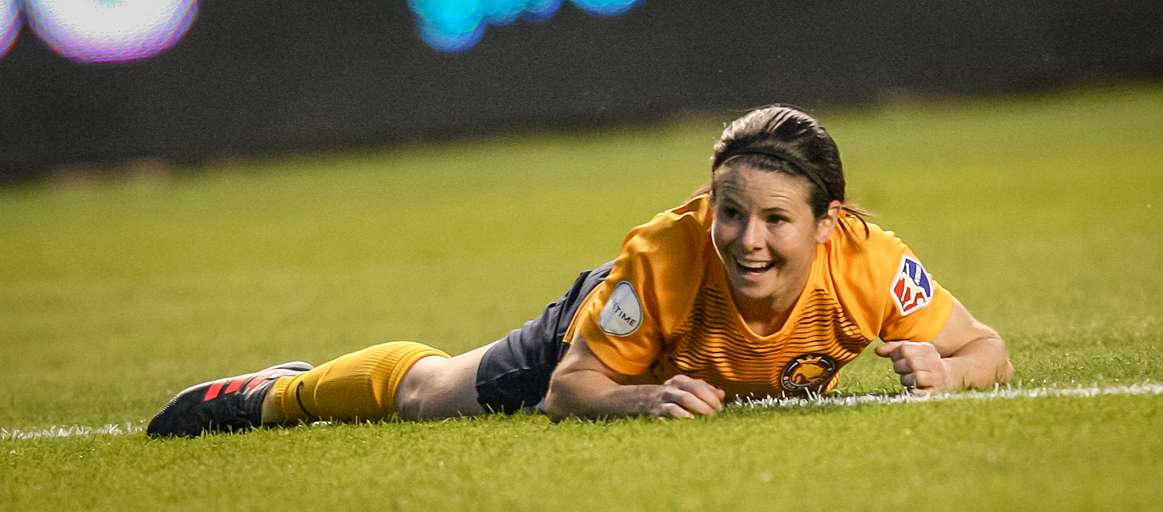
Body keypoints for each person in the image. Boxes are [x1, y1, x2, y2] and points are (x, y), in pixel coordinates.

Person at [146, 106, 1014, 437]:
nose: (747, 239)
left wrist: (944, 370)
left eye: (776, 220)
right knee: (431, 396)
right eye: (731, 212)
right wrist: (645, 395)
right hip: (595, 338)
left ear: (827, 226)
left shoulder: (871, 263)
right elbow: (571, 389)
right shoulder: (663, 262)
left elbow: (989, 353)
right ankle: (275, 394)